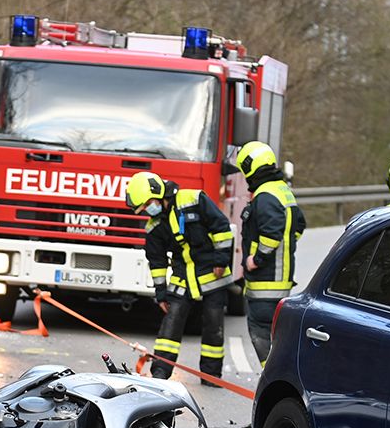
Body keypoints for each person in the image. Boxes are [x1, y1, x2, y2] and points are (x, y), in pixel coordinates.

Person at [126, 171, 235, 383]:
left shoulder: (194, 200)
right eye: (143, 209)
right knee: (171, 323)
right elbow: (157, 263)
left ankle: (210, 375)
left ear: (157, 194)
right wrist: (161, 294)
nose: (147, 211)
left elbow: (221, 227)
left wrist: (221, 261)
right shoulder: (154, 227)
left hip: (212, 271)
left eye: (147, 204)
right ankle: (160, 372)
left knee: (213, 326)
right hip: (182, 276)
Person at [237, 141, 307, 366]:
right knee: (277, 337)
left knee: (260, 332)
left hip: (265, 283)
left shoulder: (266, 196)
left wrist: (256, 260)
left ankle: (271, 379)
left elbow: (272, 232)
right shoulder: (283, 192)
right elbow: (298, 226)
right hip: (281, 283)